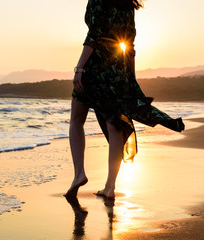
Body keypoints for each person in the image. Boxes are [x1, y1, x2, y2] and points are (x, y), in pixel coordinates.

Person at [64, 0, 184, 199]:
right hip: (118, 70)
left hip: (95, 68)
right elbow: (129, 44)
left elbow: (93, 36)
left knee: (77, 119)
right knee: (115, 125)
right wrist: (131, 77)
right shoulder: (127, 4)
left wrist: (79, 68)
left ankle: (79, 174)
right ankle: (110, 187)